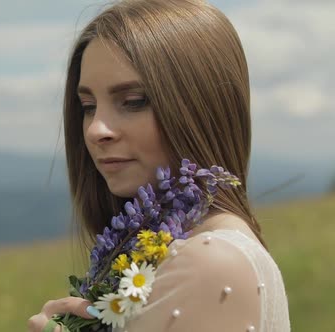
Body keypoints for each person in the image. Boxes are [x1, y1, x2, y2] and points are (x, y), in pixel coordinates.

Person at [27, 0, 291, 331]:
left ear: (202, 109)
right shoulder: (185, 248)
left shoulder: (210, 261)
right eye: (88, 106)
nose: (96, 130)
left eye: (134, 102)